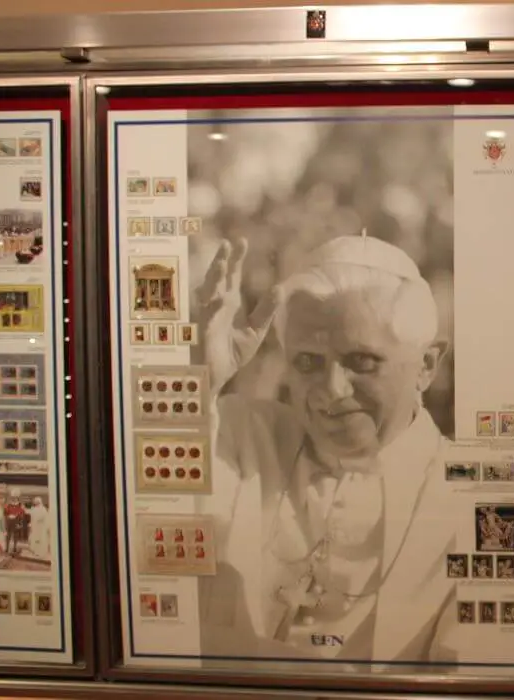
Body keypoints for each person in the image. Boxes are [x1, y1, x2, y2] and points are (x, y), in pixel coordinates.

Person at [195, 232, 458, 665]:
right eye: (307, 362)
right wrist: (199, 378)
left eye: (361, 362)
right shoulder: (241, 434)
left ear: (427, 366)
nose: (331, 391)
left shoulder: (471, 498)